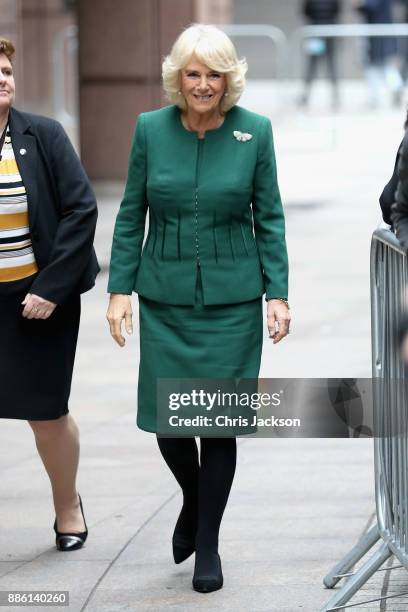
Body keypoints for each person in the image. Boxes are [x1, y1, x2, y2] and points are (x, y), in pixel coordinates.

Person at [106, 24, 290, 593]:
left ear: (229, 79)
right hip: (164, 298)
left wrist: (278, 293)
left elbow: (272, 217)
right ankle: (193, 501)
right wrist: (118, 289)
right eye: (193, 73)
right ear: (177, 78)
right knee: (169, 424)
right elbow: (132, 211)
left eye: (214, 74)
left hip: (234, 303)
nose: (203, 85)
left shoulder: (253, 132)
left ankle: (206, 541)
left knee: (217, 425)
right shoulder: (149, 130)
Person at [0, 38, 99, 551]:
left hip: (38, 304)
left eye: (7, 70)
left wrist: (50, 288)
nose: (3, 79)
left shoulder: (44, 135)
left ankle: (67, 505)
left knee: (46, 413)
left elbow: (82, 211)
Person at [356, 0, 404, 107]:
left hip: (379, 39)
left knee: (379, 67)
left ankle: (393, 88)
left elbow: (370, 8)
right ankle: (382, 93)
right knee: (378, 68)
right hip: (378, 38)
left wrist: (359, 5)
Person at [300, 0, 341, 108]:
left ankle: (306, 96)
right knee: (329, 65)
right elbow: (337, 10)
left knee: (313, 66)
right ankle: (335, 97)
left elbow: (305, 11)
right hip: (327, 33)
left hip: (316, 32)